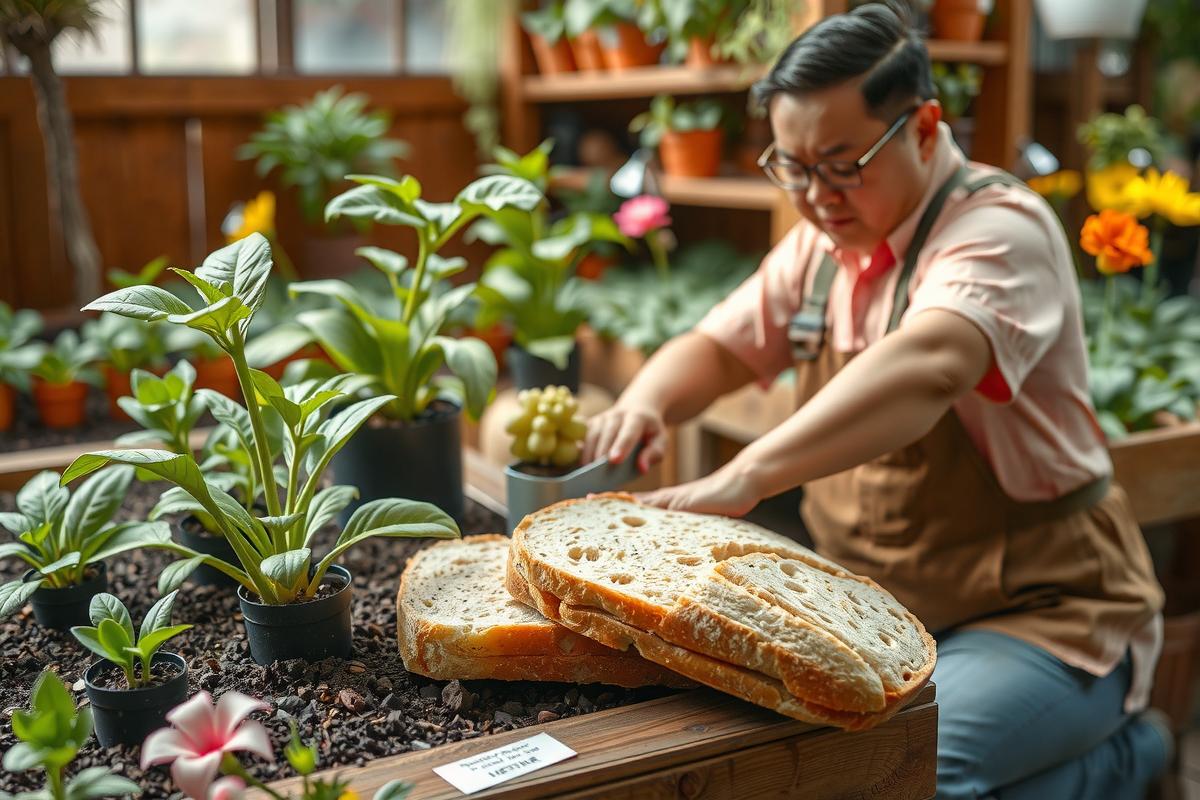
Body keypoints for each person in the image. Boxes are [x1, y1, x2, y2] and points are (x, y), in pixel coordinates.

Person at [582, 4, 1172, 798]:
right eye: (791, 166)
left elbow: (929, 363)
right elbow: (721, 344)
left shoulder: (1000, 229)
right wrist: (647, 400)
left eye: (840, 162)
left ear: (924, 126)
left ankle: (1125, 760)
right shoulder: (824, 247)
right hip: (875, 612)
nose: (815, 195)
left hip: (1045, 612)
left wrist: (747, 475)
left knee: (906, 775)